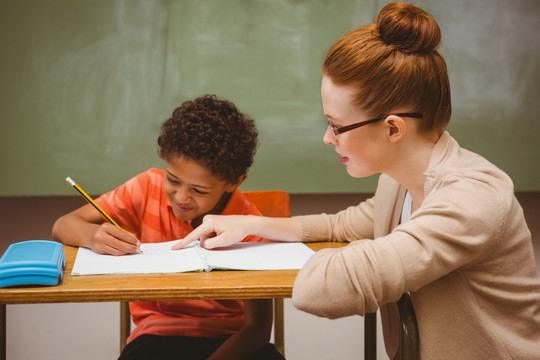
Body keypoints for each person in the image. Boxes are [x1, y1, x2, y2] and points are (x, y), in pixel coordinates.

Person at [173, 3, 540, 359]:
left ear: (393, 128)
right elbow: (345, 226)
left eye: (336, 126)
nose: (327, 138)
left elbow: (327, 290)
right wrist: (251, 225)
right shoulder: (399, 183)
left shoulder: (472, 198)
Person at [52, 95, 285, 360]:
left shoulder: (249, 225)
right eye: (173, 180)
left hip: (231, 340)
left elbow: (257, 329)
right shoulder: (145, 189)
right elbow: (63, 225)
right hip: (157, 335)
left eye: (198, 190)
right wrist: (92, 235)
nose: (181, 198)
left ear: (234, 182)